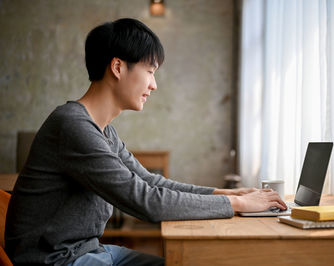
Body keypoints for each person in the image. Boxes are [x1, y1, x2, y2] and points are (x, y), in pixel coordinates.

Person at [5, 18, 287, 266]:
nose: (154, 84)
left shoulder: (104, 132)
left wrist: (228, 195)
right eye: (150, 71)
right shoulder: (72, 126)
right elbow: (147, 202)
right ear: (118, 67)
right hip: (57, 261)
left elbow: (153, 183)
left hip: (92, 253)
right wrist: (236, 205)